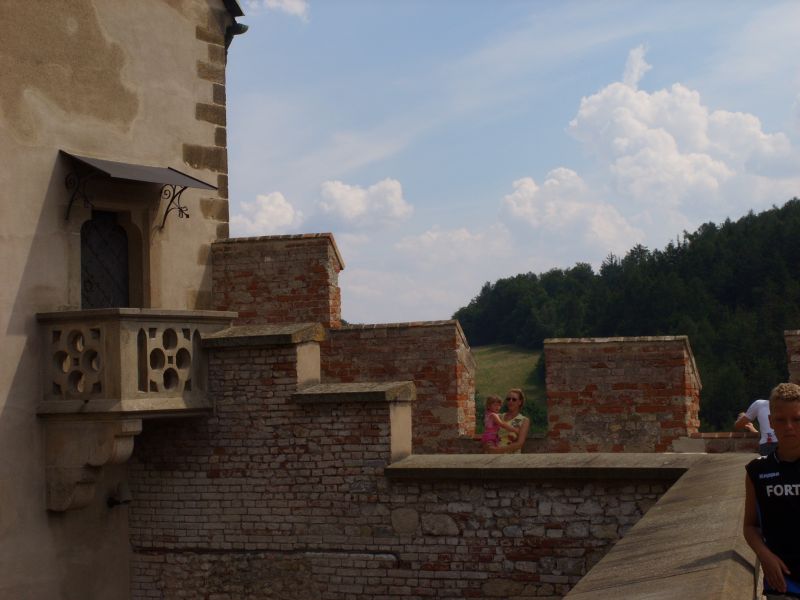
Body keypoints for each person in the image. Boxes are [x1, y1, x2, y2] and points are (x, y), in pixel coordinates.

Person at [744, 383, 800, 598]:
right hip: (783, 585)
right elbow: (750, 526)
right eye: (780, 420)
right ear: (770, 422)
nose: (789, 427)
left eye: (797, 419)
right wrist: (764, 554)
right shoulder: (757, 471)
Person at [487, 388, 531, 454]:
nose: (510, 401)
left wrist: (498, 450)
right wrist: (488, 446)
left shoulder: (524, 420)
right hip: (494, 456)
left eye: (514, 399)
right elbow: (488, 433)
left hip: (511, 457)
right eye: (508, 399)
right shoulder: (499, 417)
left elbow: (519, 443)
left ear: (520, 402)